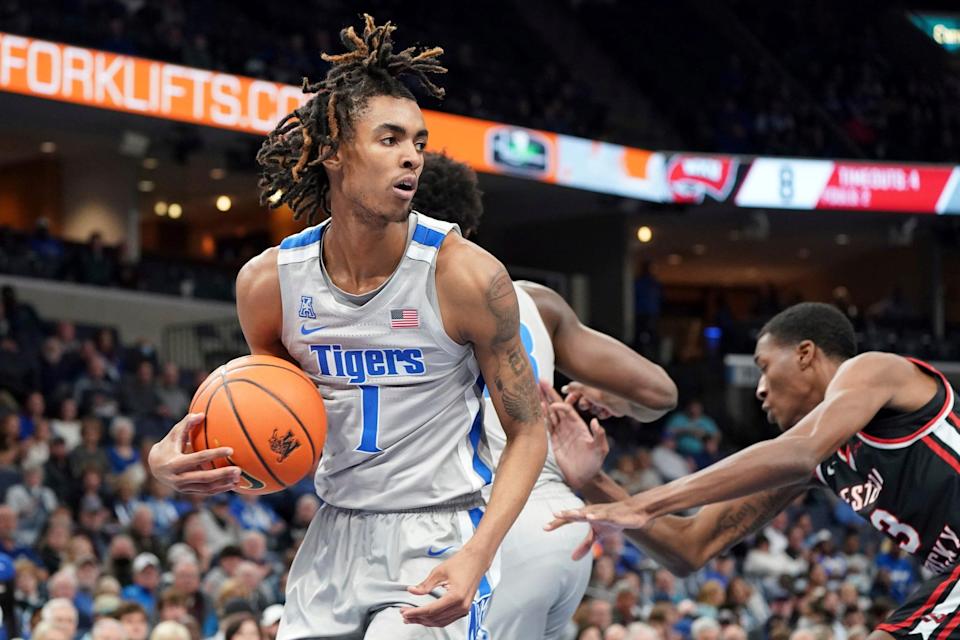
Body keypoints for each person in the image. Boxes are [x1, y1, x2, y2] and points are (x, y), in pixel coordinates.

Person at [149, 15, 547, 639]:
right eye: (388, 139)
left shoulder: (466, 277)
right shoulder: (267, 285)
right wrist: (179, 459)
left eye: (417, 140)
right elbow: (274, 425)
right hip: (332, 533)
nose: (412, 155)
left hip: (437, 532)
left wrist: (478, 554)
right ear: (333, 151)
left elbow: (528, 431)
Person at [549, 302, 960, 640]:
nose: (760, 388)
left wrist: (646, 502)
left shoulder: (870, 370)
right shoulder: (818, 458)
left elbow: (799, 449)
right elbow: (690, 546)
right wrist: (592, 480)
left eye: (764, 365)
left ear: (805, 353)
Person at [413, 150, 678, 639]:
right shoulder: (536, 299)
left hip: (489, 528)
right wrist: (611, 399)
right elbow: (659, 392)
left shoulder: (400, 303)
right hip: (560, 524)